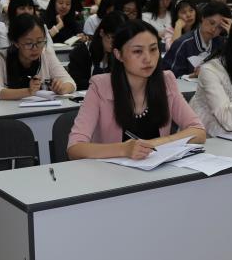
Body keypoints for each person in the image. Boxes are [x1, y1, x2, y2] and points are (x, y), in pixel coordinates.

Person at [67, 20, 206, 160]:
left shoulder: (166, 80)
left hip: (156, 169)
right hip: (110, 171)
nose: (148, 59)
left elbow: (198, 131)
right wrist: (124, 149)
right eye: (137, 51)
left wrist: (154, 143)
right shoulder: (100, 86)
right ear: (118, 54)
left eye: (153, 49)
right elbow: (75, 148)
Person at [0, 14, 76, 100]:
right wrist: (28, 91)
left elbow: (71, 83)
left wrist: (62, 88)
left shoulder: (46, 54)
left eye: (40, 42)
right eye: (29, 43)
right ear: (15, 43)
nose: (35, 48)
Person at [163, 2, 231, 78]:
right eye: (211, 23)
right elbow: (168, 76)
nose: (213, 29)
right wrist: (192, 76)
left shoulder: (221, 42)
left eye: (220, 27)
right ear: (202, 17)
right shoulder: (183, 43)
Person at [69, 11, 127, 90]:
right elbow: (77, 84)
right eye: (113, 38)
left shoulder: (120, 53)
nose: (116, 43)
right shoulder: (81, 52)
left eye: (120, 40)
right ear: (102, 33)